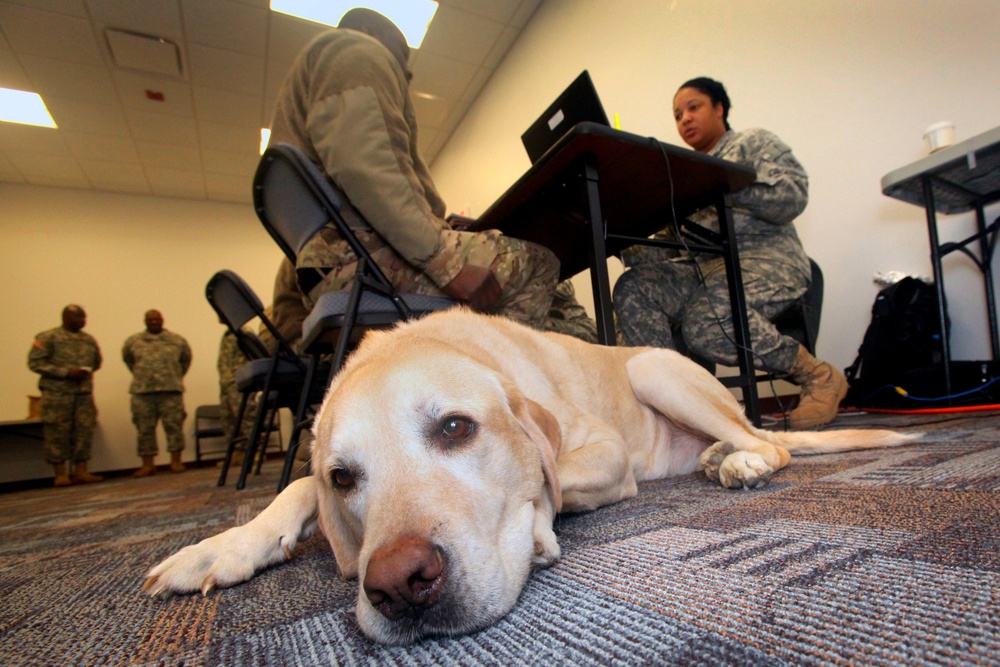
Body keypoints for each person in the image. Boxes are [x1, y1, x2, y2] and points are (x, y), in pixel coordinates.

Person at [267, 8, 596, 342]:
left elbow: (360, 175)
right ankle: (496, 388)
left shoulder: (310, 77)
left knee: (498, 276)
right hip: (360, 260)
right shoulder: (355, 49)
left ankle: (466, 376)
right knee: (537, 264)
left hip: (333, 266)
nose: (406, 72)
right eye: (400, 53)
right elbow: (368, 172)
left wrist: (437, 225)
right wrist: (444, 261)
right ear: (369, 30)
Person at [613, 77, 846, 428]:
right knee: (634, 288)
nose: (685, 119)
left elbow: (792, 195)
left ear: (719, 108)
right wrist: (618, 232)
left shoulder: (751, 143)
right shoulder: (681, 175)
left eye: (694, 108)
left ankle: (818, 376)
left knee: (708, 317)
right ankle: (673, 409)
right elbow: (668, 247)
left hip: (768, 258)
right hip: (705, 270)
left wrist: (723, 183)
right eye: (677, 115)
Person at [27, 305, 104, 486]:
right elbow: (35, 363)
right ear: (66, 318)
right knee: (57, 432)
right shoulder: (47, 337)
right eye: (78, 318)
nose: (82, 322)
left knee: (84, 430)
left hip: (83, 393)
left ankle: (81, 471)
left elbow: (97, 362)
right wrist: (65, 372)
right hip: (57, 394)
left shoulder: (88, 340)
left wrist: (84, 372)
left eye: (84, 318)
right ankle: (60, 474)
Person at [123, 310, 192, 476]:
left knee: (174, 427)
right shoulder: (133, 341)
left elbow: (185, 360)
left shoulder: (177, 340)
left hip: (171, 392)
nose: (154, 321)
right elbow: (129, 360)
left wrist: (173, 377)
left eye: (157, 318)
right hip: (143, 392)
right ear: (145, 321)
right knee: (144, 429)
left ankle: (176, 462)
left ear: (162, 320)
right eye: (150, 319)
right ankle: (148, 465)